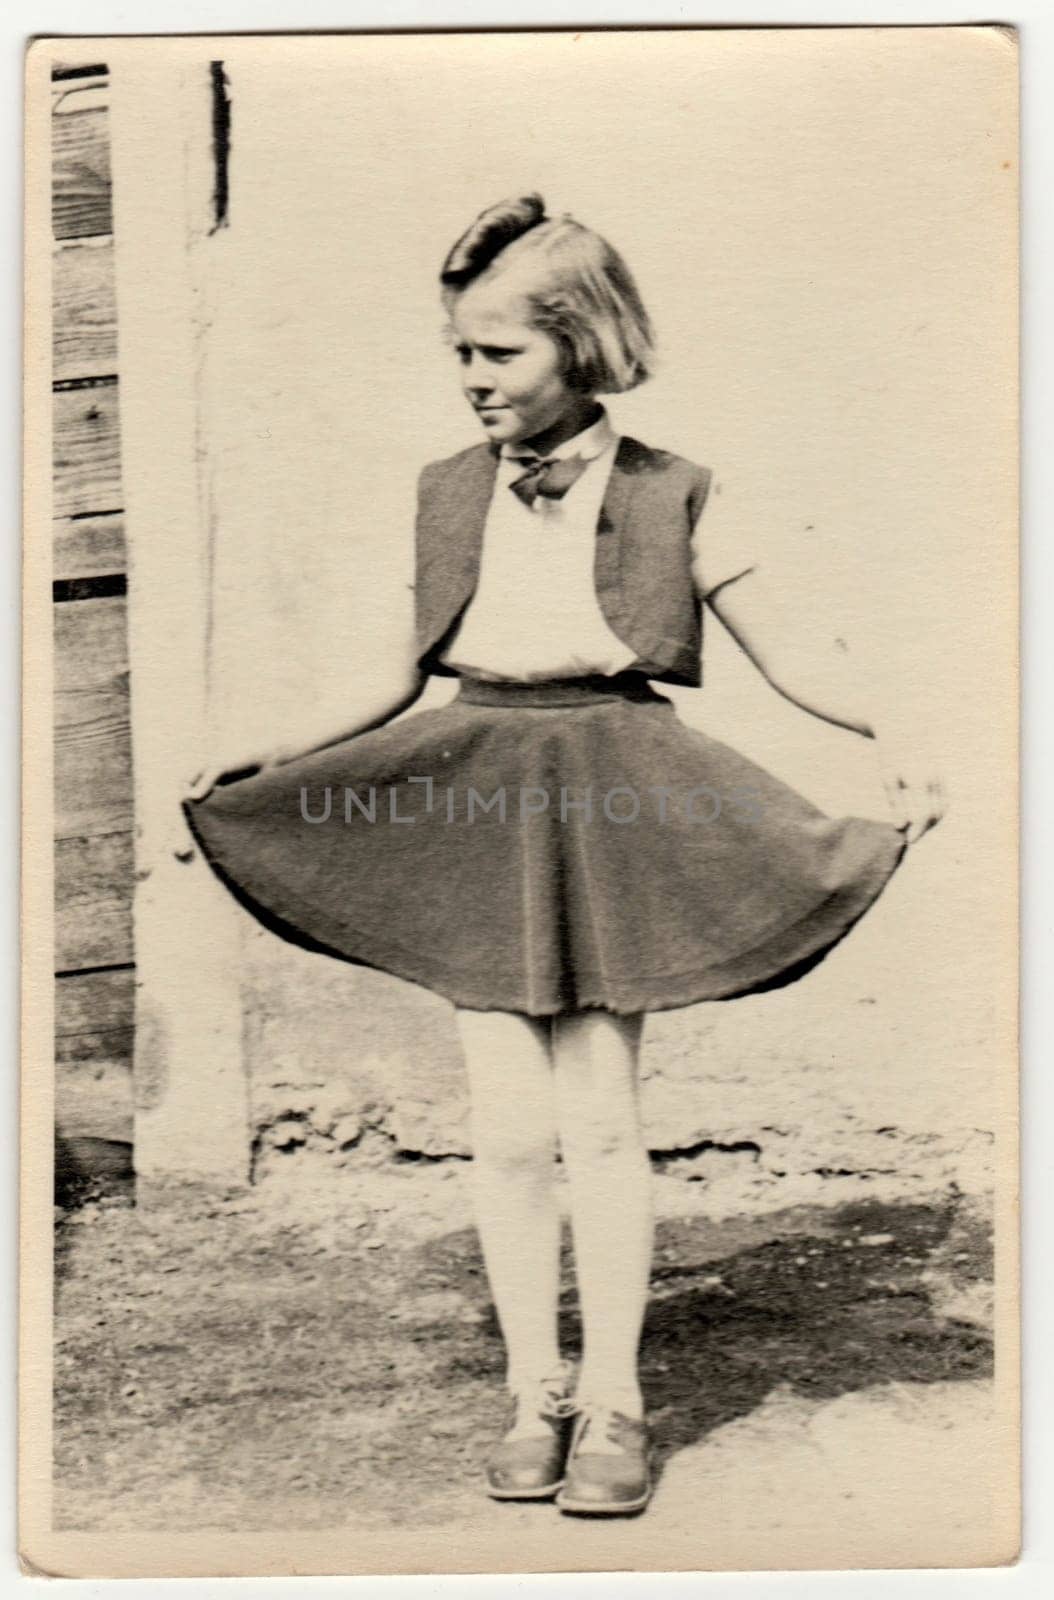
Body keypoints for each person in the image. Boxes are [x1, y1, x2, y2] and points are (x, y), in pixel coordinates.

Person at [184, 194, 944, 1517]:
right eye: (458, 355)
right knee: (507, 1129)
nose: (471, 380)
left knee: (597, 1119)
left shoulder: (673, 489)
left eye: (497, 354)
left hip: (614, 790)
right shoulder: (441, 493)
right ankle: (532, 1388)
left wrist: (899, 730)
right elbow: (384, 675)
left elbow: (796, 652)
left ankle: (615, 1402)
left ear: (579, 343)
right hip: (480, 787)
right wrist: (253, 746)